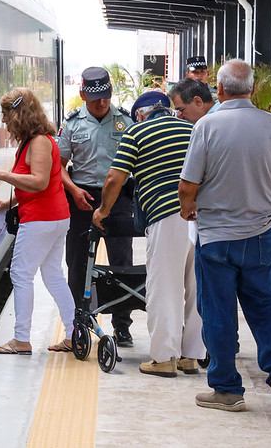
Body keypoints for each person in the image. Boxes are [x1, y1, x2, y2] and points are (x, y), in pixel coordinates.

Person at [179, 59, 271, 413]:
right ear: (253, 89)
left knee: (217, 314)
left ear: (218, 90)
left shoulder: (207, 126)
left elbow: (188, 185)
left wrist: (188, 209)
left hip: (216, 238)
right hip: (261, 236)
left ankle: (227, 389)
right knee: (265, 307)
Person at [92, 90, 205, 377]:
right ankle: (191, 355)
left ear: (140, 115)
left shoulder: (137, 132)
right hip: (202, 217)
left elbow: (115, 178)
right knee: (197, 288)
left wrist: (103, 210)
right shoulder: (194, 129)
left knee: (163, 287)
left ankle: (165, 358)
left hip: (167, 215)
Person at [0, 88, 75, 354]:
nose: (4, 121)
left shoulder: (40, 142)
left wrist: (1, 174)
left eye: (7, 114)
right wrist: (8, 203)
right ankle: (73, 333)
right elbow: (35, 183)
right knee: (53, 276)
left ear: (19, 114)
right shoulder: (33, 141)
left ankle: (21, 339)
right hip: (52, 217)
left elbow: (40, 182)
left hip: (41, 219)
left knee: (21, 274)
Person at [57, 66, 135, 346]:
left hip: (119, 199)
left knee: (121, 263)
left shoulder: (126, 122)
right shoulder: (73, 124)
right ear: (82, 95)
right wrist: (74, 189)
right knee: (77, 262)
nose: (101, 102)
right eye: (94, 98)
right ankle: (78, 323)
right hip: (82, 199)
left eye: (105, 96)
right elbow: (60, 166)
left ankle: (122, 326)